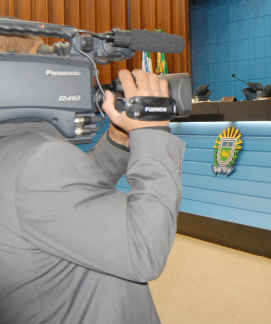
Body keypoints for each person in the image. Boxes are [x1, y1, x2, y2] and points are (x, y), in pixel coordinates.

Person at [0, 34, 186, 324]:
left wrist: (116, 141)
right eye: (48, 55)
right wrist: (152, 132)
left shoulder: (17, 148)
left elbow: (66, 207)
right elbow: (143, 250)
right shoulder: (40, 158)